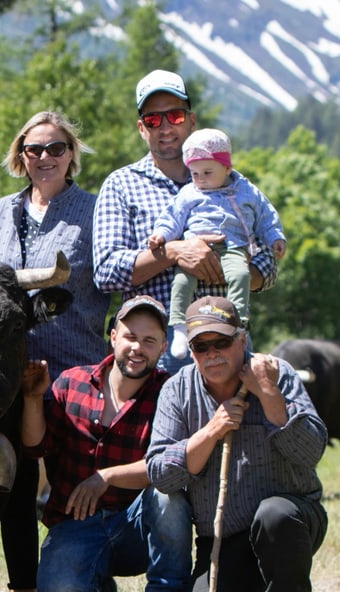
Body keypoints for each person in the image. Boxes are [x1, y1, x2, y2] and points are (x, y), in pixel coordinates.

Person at [0, 110, 110, 592]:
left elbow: (117, 273)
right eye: (33, 149)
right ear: (19, 156)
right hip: (8, 381)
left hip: (76, 376)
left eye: (55, 148)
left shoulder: (94, 212)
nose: (44, 158)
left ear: (72, 153)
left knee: (74, 491)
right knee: (15, 491)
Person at [145, 296, 328, 592]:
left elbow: (312, 452)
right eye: (201, 346)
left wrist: (269, 395)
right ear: (191, 349)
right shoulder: (177, 390)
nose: (212, 354)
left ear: (242, 340)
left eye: (222, 342)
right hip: (221, 538)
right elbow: (160, 474)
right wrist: (211, 431)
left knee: (274, 514)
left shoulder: (278, 374)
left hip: (288, 523)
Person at [21, 295, 193, 592]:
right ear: (112, 336)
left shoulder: (169, 392)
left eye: (149, 341)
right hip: (77, 522)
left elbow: (171, 462)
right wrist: (34, 399)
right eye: (131, 336)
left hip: (137, 526)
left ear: (163, 347)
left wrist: (108, 476)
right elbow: (35, 446)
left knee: (167, 492)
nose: (137, 348)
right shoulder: (72, 383)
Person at [92, 69, 278, 374]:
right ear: (141, 128)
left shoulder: (231, 181)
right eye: (153, 119)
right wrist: (175, 253)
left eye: (175, 116)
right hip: (156, 353)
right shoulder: (121, 184)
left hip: (229, 344)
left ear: (192, 121)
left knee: (234, 421)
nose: (165, 127)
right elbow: (106, 271)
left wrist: (230, 268)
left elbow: (268, 266)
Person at [148, 128, 287, 359]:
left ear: (227, 168)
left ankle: (238, 323)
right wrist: (161, 235)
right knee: (182, 282)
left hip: (233, 247)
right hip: (192, 248)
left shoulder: (247, 191)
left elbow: (266, 215)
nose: (200, 179)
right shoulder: (189, 193)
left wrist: (275, 237)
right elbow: (172, 217)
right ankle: (179, 327)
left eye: (207, 172)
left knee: (240, 276)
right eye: (194, 174)